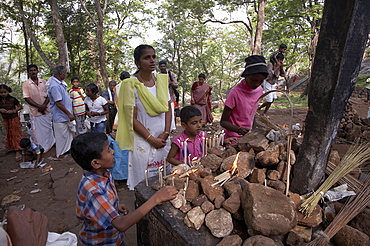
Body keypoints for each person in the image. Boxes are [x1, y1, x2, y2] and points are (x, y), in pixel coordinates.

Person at [71, 132, 177, 246]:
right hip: (101, 242)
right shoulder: (93, 191)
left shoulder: (103, 173)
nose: (112, 151)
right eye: (108, 150)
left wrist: (113, 206)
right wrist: (157, 198)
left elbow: (102, 202)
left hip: (115, 238)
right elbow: (121, 224)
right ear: (96, 163)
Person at [116, 44, 172, 190]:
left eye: (154, 56)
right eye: (147, 58)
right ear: (137, 63)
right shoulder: (131, 85)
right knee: (145, 184)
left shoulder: (161, 81)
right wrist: (151, 139)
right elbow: (131, 118)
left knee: (164, 179)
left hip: (163, 139)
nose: (152, 60)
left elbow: (168, 109)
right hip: (143, 140)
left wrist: (166, 133)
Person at [220, 55, 268, 140]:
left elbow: (252, 112)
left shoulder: (259, 90)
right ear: (246, 76)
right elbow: (223, 122)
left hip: (248, 136)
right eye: (254, 80)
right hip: (233, 137)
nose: (257, 84)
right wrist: (238, 129)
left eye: (260, 81)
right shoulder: (235, 92)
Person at [22, 64, 55, 152]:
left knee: (48, 129)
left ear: (37, 71)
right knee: (37, 131)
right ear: (28, 72)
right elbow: (27, 98)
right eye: (31, 71)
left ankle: (50, 145)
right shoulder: (26, 84)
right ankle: (40, 147)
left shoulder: (44, 82)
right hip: (35, 112)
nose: (33, 72)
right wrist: (39, 106)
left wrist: (44, 105)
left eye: (34, 70)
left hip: (46, 110)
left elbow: (49, 95)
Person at [47, 65, 75, 158]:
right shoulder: (54, 86)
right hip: (60, 115)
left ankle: (68, 150)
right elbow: (58, 103)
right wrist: (69, 113)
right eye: (65, 73)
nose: (66, 75)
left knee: (67, 134)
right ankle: (61, 153)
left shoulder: (60, 83)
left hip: (65, 115)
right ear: (60, 73)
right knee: (61, 135)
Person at [0, 84, 23, 160]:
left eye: (5, 92)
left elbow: (20, 107)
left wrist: (13, 111)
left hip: (14, 118)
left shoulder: (12, 99)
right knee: (8, 133)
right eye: (1, 92)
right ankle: (11, 147)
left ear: (8, 91)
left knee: (15, 133)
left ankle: (18, 149)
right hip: (5, 118)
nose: (3, 94)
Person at [159, 60, 178, 131]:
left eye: (164, 66)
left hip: (171, 96)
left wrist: (169, 83)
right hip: (162, 97)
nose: (162, 68)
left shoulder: (171, 74)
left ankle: (172, 128)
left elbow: (176, 85)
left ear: (166, 67)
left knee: (171, 112)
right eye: (161, 66)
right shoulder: (158, 75)